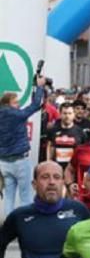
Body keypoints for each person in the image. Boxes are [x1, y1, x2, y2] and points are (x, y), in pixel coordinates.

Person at [0, 74, 47, 216]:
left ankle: (8, 225)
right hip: (20, 160)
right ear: (8, 103)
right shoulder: (16, 115)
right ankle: (24, 224)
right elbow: (35, 105)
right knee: (25, 195)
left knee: (9, 195)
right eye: (16, 102)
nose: (18, 105)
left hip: (3, 161)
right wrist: (39, 87)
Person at [45, 101, 86, 172]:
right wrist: (49, 163)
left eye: (70, 113)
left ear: (74, 114)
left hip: (73, 169)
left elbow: (83, 151)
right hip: (56, 168)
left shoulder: (80, 132)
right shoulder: (53, 130)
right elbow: (50, 147)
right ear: (60, 114)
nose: (67, 116)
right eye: (64, 113)